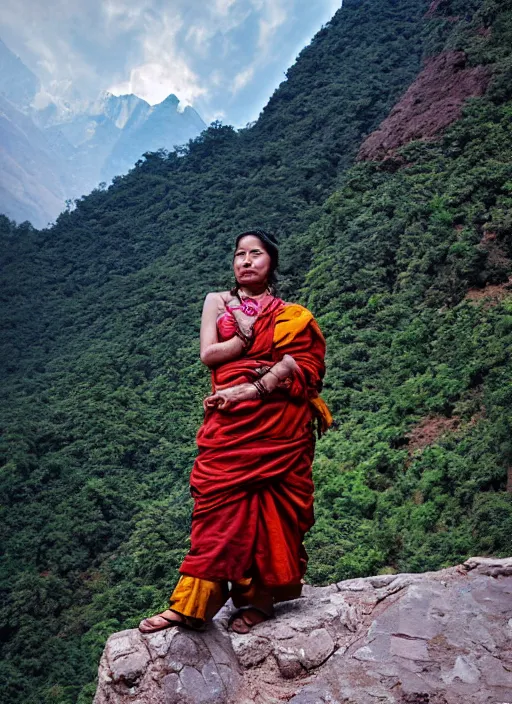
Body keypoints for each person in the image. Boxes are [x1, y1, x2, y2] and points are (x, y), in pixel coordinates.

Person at [139, 229, 332, 635]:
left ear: (272, 264)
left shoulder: (293, 315)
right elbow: (209, 356)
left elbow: (308, 369)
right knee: (217, 510)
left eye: (256, 254)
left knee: (269, 514)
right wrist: (244, 333)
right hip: (229, 422)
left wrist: (262, 384)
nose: (246, 261)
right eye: (240, 254)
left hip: (278, 425)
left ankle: (258, 601)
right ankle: (190, 604)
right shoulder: (218, 301)